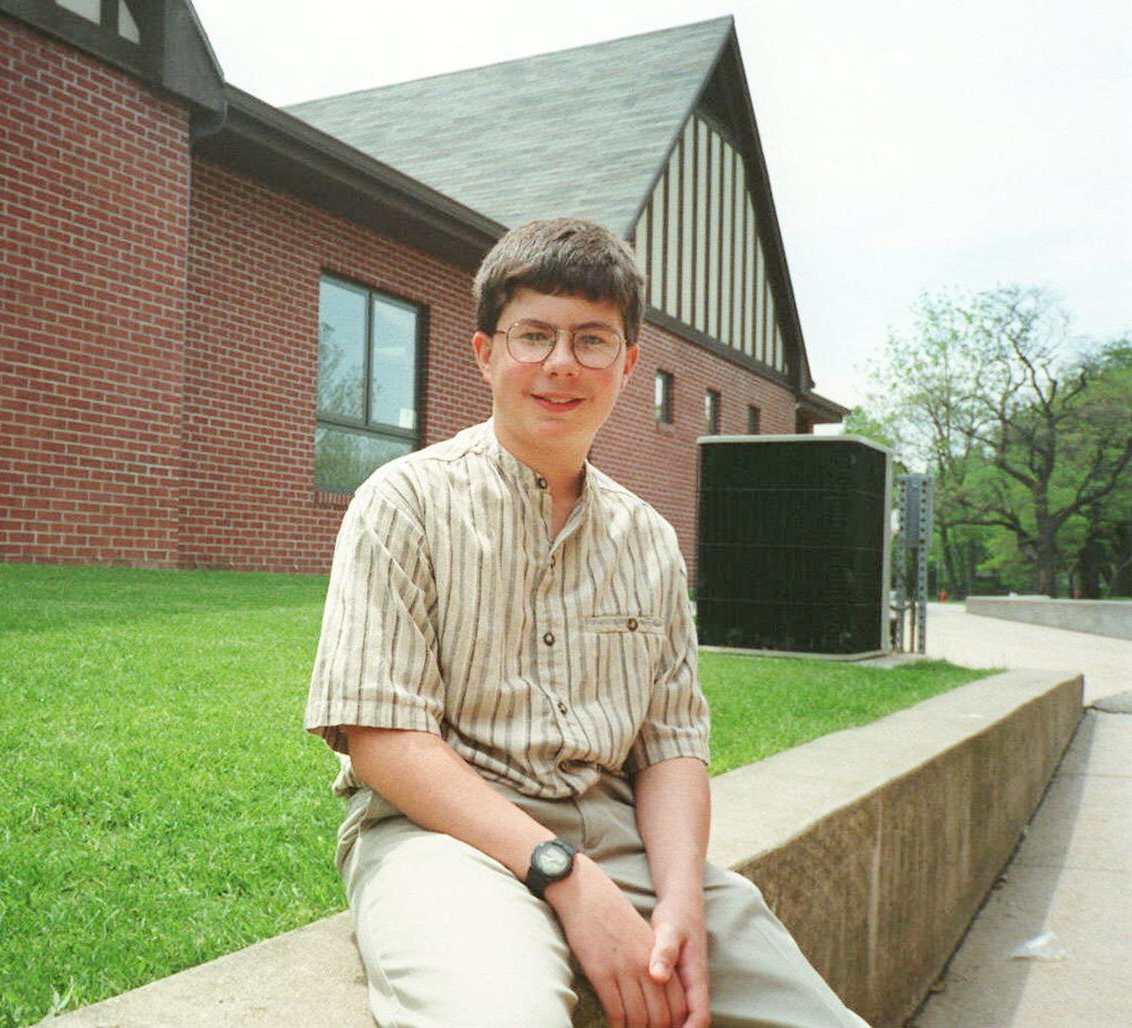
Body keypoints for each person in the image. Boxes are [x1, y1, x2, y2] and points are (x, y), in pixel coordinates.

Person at [306, 218, 868, 1028]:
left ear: (629, 364)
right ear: (485, 354)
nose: (560, 364)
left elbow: (672, 748)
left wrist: (681, 904)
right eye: (532, 335)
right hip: (440, 840)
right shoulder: (404, 503)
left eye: (592, 340)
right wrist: (565, 877)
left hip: (622, 843)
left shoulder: (650, 541)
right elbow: (382, 739)